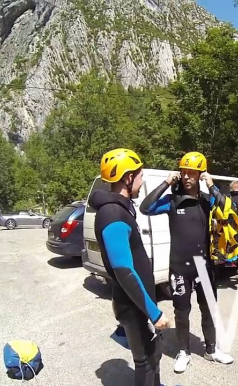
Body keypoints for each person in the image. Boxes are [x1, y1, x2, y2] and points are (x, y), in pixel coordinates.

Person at [139, 151, 234, 374]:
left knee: (209, 309)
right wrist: (165, 182)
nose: (188, 176)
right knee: (182, 312)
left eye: (193, 173)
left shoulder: (207, 201)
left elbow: (228, 212)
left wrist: (212, 186)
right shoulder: (172, 201)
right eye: (184, 172)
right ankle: (183, 352)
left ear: (200, 175)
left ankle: (211, 349)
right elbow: (146, 208)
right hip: (180, 267)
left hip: (205, 265)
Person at [89, 148, 171, 386]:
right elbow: (124, 270)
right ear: (127, 178)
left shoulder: (120, 208)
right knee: (145, 359)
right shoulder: (113, 214)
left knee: (153, 354)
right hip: (132, 304)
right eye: (140, 175)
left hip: (138, 301)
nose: (142, 180)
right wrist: (154, 313)